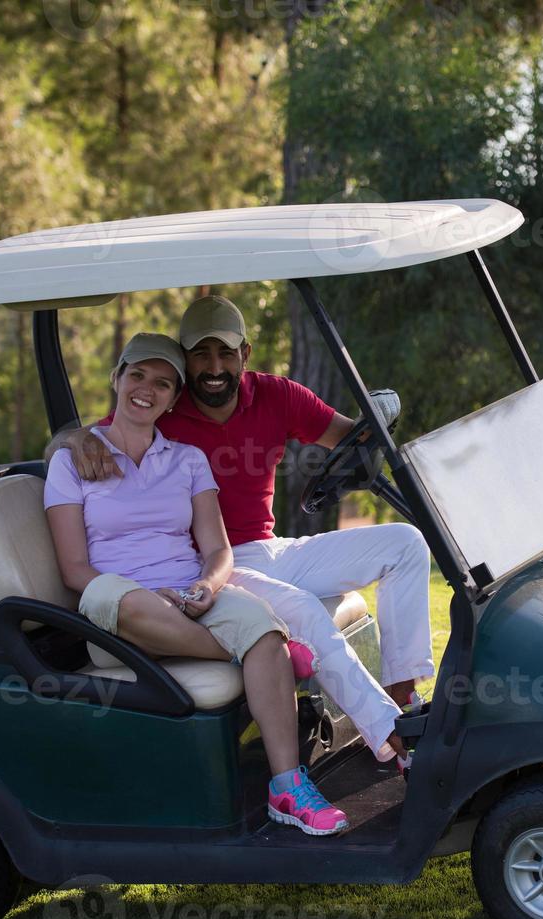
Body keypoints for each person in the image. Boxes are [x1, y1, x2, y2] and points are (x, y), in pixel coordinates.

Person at [55, 295, 433, 766]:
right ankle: (398, 740)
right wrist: (66, 439)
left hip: (272, 548)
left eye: (225, 353)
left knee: (404, 543)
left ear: (245, 354)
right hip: (217, 564)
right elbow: (95, 436)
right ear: (185, 360)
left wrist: (373, 441)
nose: (214, 366)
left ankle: (403, 697)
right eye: (200, 354)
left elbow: (350, 438)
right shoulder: (166, 409)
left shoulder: (277, 395)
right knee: (305, 613)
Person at [43, 333, 351, 836]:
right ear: (117, 378)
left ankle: (287, 788)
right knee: (245, 637)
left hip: (189, 596)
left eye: (163, 383)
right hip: (117, 612)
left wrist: (208, 586)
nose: (147, 389)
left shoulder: (187, 460)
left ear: (173, 398)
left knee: (258, 623)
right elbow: (74, 569)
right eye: (137, 375)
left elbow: (217, 549)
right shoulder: (74, 459)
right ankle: (251, 652)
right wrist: (148, 595)